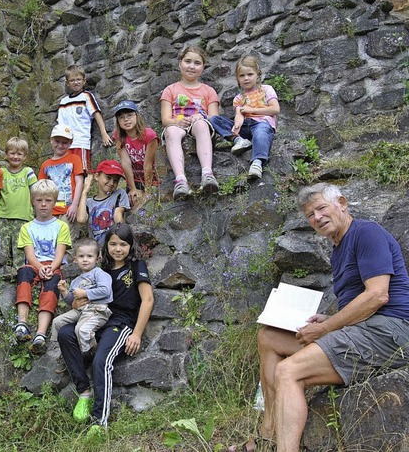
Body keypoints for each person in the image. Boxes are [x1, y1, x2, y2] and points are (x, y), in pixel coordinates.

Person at [238, 183, 409, 452]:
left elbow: (378, 296)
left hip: (390, 331)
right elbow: (358, 303)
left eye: (321, 208)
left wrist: (327, 327)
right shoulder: (339, 248)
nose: (316, 217)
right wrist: (328, 318)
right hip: (365, 330)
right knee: (269, 337)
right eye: (310, 215)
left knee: (289, 371)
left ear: (341, 203)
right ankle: (267, 434)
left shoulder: (367, 233)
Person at [58, 223, 154, 432]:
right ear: (106, 246)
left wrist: (137, 334)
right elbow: (84, 299)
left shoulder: (137, 266)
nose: (117, 249)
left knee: (102, 360)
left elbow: (147, 300)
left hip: (122, 323)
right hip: (99, 318)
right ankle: (84, 392)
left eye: (122, 244)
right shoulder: (101, 270)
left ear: (130, 246)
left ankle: (99, 422)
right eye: (112, 244)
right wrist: (74, 302)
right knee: (65, 333)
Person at [14, 179, 72, 355]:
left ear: (54, 202)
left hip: (53, 265)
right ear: (33, 201)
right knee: (23, 273)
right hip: (34, 265)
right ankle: (22, 323)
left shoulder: (61, 226)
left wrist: (51, 268)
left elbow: (60, 254)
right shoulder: (27, 228)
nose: (44, 204)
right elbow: (30, 255)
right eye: (39, 200)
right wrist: (39, 267)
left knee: (52, 284)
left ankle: (40, 333)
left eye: (48, 200)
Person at [160, 45, 220, 199]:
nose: (192, 66)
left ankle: (207, 174)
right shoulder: (170, 90)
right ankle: (180, 180)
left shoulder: (208, 91)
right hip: (178, 124)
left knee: (201, 125)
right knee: (171, 131)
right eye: (188, 61)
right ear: (180, 63)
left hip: (199, 124)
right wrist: (176, 122)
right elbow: (165, 119)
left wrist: (201, 118)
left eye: (197, 63)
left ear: (203, 67)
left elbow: (214, 118)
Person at [210, 55, 280, 180]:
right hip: (245, 126)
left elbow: (275, 109)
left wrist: (251, 110)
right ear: (237, 79)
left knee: (260, 133)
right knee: (215, 119)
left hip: (262, 123)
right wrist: (237, 125)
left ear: (257, 75)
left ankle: (257, 162)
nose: (246, 78)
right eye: (242, 76)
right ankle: (239, 140)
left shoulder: (266, 89)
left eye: (250, 74)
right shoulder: (238, 98)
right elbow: (239, 114)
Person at [51, 238, 113, 354]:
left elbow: (105, 291)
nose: (85, 260)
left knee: (81, 329)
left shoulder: (100, 274)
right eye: (81, 256)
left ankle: (91, 352)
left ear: (97, 259)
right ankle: (60, 349)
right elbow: (72, 302)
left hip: (96, 310)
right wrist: (64, 291)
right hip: (80, 311)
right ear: (75, 260)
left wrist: (85, 293)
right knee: (57, 322)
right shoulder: (75, 281)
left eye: (89, 256)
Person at [56, 64, 112, 172]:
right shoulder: (63, 102)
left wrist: (104, 134)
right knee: (67, 172)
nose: (76, 82)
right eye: (72, 80)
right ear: (67, 83)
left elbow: (96, 114)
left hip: (80, 142)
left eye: (78, 79)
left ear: (84, 80)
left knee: (82, 171)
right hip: (65, 144)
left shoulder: (86, 96)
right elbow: (60, 124)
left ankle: (84, 189)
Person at [0, 137, 38, 269]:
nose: (15, 157)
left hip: (23, 217)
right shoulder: (1, 172)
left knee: (19, 250)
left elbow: (36, 192)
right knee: (2, 249)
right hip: (3, 216)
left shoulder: (28, 172)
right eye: (12, 153)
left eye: (19, 154)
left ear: (25, 156)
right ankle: (1, 277)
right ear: (6, 154)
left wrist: (36, 214)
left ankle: (20, 278)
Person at [112, 99, 159, 204]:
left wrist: (148, 191)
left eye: (129, 115)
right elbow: (126, 163)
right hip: (135, 179)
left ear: (137, 116)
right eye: (121, 117)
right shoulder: (119, 137)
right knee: (130, 201)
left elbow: (148, 165)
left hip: (152, 179)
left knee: (147, 203)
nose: (126, 120)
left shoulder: (149, 135)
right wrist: (132, 188)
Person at [77, 160, 130, 247]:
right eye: (108, 178)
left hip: (113, 246)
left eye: (116, 181)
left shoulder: (119, 194)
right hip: (95, 248)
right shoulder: (88, 202)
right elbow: (81, 219)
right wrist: (84, 192)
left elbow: (118, 218)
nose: (112, 183)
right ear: (97, 176)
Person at [38, 124, 85, 223]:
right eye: (57, 141)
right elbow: (41, 189)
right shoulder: (45, 165)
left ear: (70, 143)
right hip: (49, 211)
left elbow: (79, 182)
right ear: (51, 140)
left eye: (64, 143)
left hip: (68, 211)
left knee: (66, 238)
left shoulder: (74, 159)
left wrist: (75, 205)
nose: (60, 145)